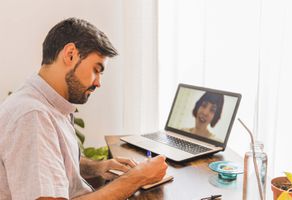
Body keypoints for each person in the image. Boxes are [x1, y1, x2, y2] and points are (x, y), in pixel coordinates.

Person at [0, 18, 168, 200]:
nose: (98, 82)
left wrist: (98, 167)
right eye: (96, 69)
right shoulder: (33, 116)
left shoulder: (50, 104)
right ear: (70, 54)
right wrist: (136, 178)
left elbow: (57, 161)